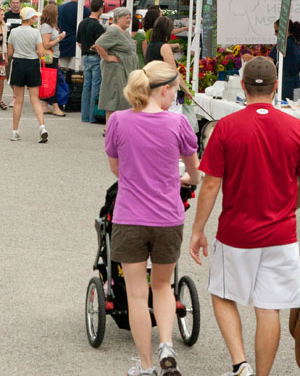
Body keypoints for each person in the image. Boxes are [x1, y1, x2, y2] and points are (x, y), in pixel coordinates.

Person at [190, 57, 300, 376]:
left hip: (237, 232)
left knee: (222, 294)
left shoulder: (226, 128)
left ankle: (240, 364)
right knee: (269, 308)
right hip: (280, 234)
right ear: (276, 87)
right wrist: (289, 208)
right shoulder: (296, 128)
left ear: (243, 87)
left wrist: (197, 230)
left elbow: (210, 185)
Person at [106, 60, 200, 376]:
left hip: (130, 217)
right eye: (175, 91)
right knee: (162, 287)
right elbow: (195, 172)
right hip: (168, 218)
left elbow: (117, 170)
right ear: (163, 90)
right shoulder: (178, 125)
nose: (176, 98)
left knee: (136, 294)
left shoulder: (118, 121)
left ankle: (146, 366)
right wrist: (184, 179)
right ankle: (167, 347)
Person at [8, 7, 48, 143]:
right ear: (30, 18)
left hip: (18, 63)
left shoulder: (13, 32)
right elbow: (41, 52)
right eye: (34, 17)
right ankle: (42, 127)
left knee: (18, 100)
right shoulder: (35, 32)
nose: (35, 19)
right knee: (35, 99)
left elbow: (9, 52)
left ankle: (15, 131)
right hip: (32, 64)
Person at [95, 7, 139, 131]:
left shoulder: (124, 31)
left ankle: (117, 128)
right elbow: (98, 44)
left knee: (122, 99)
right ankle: (110, 129)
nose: (129, 20)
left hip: (124, 69)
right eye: (126, 17)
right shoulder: (114, 30)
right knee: (113, 99)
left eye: (130, 17)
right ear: (118, 18)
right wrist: (107, 57)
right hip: (115, 71)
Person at [77, 0, 106, 123]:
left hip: (85, 56)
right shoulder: (98, 27)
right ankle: (92, 116)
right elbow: (100, 44)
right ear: (100, 9)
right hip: (95, 57)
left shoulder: (82, 23)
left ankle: (84, 115)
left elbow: (78, 42)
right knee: (95, 86)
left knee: (86, 86)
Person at [38, 3, 67, 116]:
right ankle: (55, 106)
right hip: (49, 57)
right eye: (56, 14)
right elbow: (46, 44)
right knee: (51, 81)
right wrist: (59, 38)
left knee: (47, 80)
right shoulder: (46, 27)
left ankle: (45, 104)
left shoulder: (48, 26)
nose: (58, 16)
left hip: (51, 57)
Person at [269, 20, 300, 101]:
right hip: (293, 87)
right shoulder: (293, 42)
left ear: (284, 30)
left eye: (277, 31)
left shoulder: (284, 43)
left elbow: (268, 60)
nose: (275, 34)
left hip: (289, 88)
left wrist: (251, 59)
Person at [57, 0, 91, 69]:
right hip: (76, 44)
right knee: (75, 71)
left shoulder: (60, 8)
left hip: (62, 41)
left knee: (62, 70)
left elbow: (57, 24)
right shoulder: (85, 10)